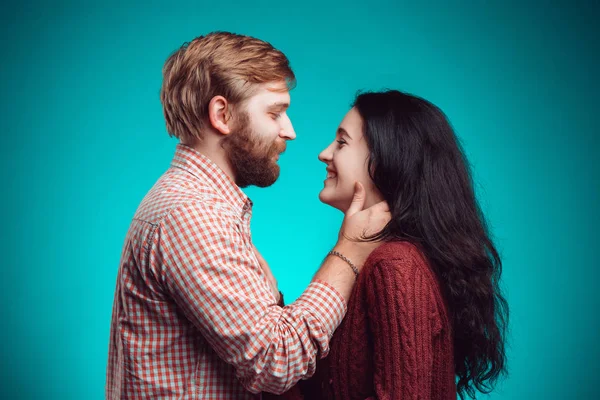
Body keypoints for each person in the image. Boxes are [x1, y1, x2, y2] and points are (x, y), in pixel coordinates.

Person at [105, 32, 391, 399]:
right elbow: (277, 361)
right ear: (222, 115)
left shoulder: (196, 206)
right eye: (274, 112)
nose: (290, 131)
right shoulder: (193, 216)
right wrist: (349, 251)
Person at [277, 90, 509, 399]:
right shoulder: (368, 258)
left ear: (387, 160)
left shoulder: (394, 265)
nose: (324, 153)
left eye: (342, 142)